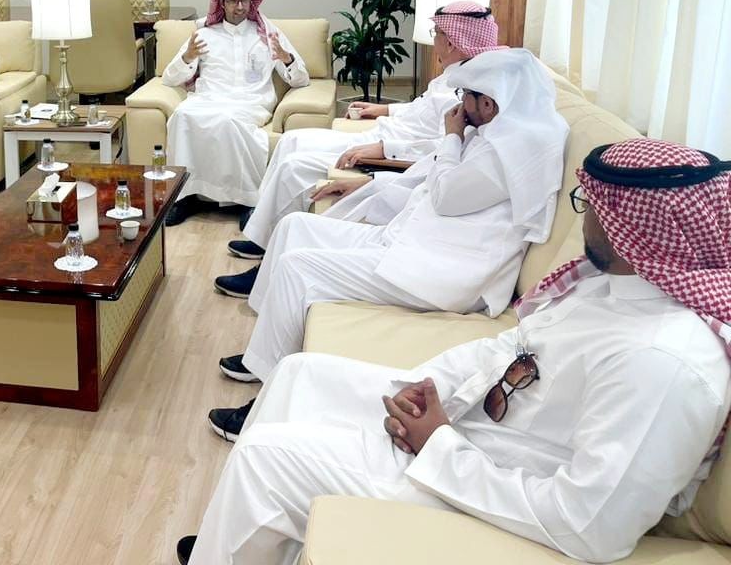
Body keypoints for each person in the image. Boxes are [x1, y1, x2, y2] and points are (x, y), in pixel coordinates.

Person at [176, 138, 731, 565]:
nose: (584, 216)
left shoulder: (667, 362)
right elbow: (513, 345)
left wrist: (438, 446)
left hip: (495, 488)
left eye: (593, 205)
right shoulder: (614, 288)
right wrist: (427, 388)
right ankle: (245, 540)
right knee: (299, 373)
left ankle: (237, 537)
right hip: (470, 432)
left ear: (634, 228)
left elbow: (589, 525)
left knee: (265, 458)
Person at [210, 49, 567, 440]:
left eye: (466, 95)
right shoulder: (493, 133)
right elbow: (429, 176)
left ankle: (263, 406)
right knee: (296, 225)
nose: (459, 105)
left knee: (298, 268)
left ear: (489, 103)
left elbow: (446, 194)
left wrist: (452, 136)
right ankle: (263, 352)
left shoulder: (510, 151)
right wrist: (369, 184)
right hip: (416, 241)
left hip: (446, 271)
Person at [219, 2, 501, 298]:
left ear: (453, 42)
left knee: (294, 166)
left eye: (438, 33)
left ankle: (266, 250)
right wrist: (384, 109)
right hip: (383, 138)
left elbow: (440, 146)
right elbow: (422, 111)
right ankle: (264, 232)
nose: (434, 41)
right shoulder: (453, 76)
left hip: (388, 151)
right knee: (291, 140)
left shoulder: (469, 93)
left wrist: (383, 149)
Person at [161, 0, 309, 226]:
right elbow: (169, 78)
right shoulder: (204, 34)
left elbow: (301, 79)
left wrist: (286, 58)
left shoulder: (267, 33)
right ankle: (185, 196)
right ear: (221, 3)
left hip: (250, 103)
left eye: (244, 0)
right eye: (232, 0)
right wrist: (187, 56)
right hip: (207, 99)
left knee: (228, 120)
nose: (240, 7)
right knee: (182, 116)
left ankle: (250, 202)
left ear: (251, 1)